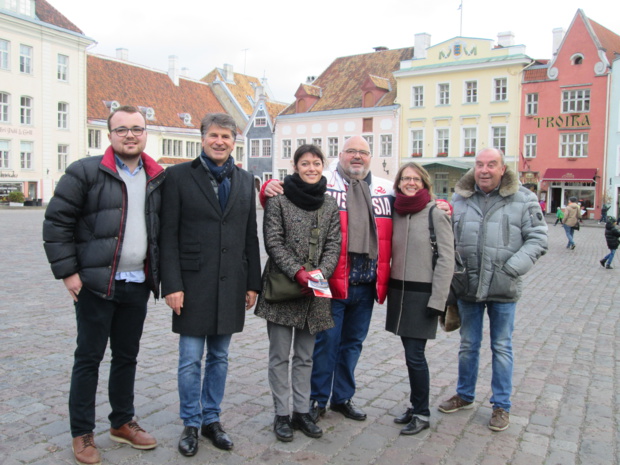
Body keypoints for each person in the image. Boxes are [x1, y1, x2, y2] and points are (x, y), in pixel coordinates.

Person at [262, 137, 452, 423]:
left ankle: (342, 397)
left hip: (366, 284)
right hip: (333, 282)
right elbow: (286, 188)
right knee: (326, 344)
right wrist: (266, 188)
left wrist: (442, 204)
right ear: (340, 155)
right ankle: (317, 399)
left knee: (352, 345)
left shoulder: (386, 189)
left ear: (370, 157)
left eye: (363, 152)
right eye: (351, 151)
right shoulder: (322, 180)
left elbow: (415, 200)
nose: (357, 157)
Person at [43, 105, 164, 465]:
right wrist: (68, 273)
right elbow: (57, 222)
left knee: (127, 357)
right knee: (89, 358)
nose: (130, 135)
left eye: (137, 129)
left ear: (146, 133)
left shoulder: (157, 176)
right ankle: (82, 432)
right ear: (109, 135)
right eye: (122, 129)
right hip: (96, 284)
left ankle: (122, 422)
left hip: (136, 284)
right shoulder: (85, 171)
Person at [159, 113, 262, 457]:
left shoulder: (247, 180)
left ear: (235, 141)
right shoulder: (177, 177)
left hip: (231, 282)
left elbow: (251, 236)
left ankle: (211, 419)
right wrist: (171, 284)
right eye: (214, 135)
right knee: (190, 359)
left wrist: (253, 283)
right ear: (202, 138)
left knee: (219, 356)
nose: (220, 141)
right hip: (190, 283)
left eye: (227, 137)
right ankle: (190, 421)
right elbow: (167, 236)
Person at [438, 148, 547, 432]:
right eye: (479, 164)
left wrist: (510, 269)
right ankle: (465, 395)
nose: (484, 170)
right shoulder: (459, 198)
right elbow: (447, 238)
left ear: (502, 169)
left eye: (491, 165)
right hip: (468, 286)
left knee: (501, 347)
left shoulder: (524, 198)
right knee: (467, 346)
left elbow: (538, 239)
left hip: (503, 288)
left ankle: (501, 405)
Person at [255, 144, 341, 442]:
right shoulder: (278, 200)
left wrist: (321, 274)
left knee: (305, 356)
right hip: (282, 287)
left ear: (322, 166)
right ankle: (281, 414)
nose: (311, 168)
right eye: (305, 163)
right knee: (279, 355)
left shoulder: (329, 204)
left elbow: (334, 244)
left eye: (316, 163)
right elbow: (273, 241)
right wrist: (297, 271)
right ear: (295, 166)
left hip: (314, 291)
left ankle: (301, 412)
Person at [387, 163, 454, 435]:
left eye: (415, 179)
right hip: (400, 292)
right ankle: (415, 406)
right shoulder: (398, 210)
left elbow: (447, 259)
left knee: (416, 356)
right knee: (409, 354)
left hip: (422, 294)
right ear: (399, 182)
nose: (410, 182)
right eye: (405, 178)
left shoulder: (435, 213)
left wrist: (438, 301)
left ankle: (423, 413)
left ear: (424, 183)